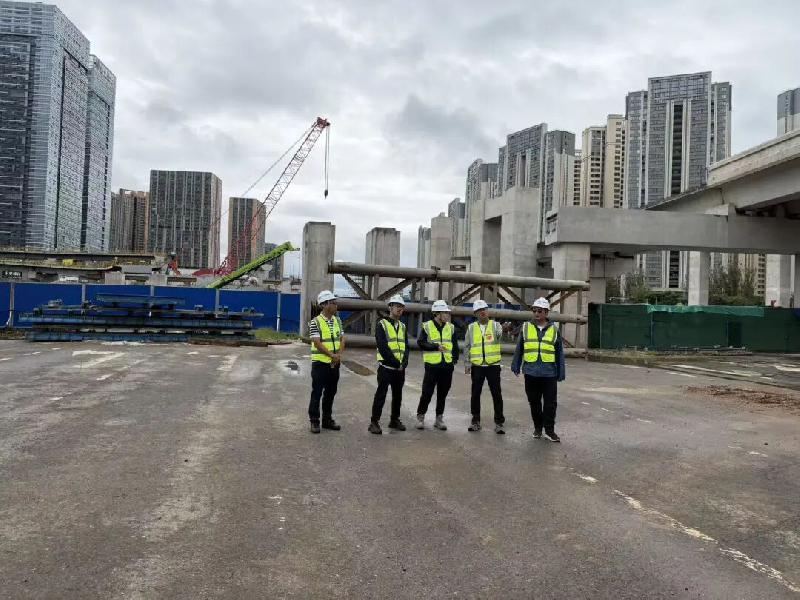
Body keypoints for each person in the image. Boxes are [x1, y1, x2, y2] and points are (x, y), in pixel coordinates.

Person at [511, 297, 566, 442]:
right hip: (531, 372)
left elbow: (559, 353)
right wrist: (516, 365)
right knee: (534, 402)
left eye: (539, 311)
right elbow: (519, 348)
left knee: (550, 404)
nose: (536, 313)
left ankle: (549, 431)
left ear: (546, 312)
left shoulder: (554, 330)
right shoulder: (526, 327)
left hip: (549, 373)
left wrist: (561, 372)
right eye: (534, 310)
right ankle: (538, 428)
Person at [415, 300, 460, 431]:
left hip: (447, 366)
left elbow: (455, 346)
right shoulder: (427, 326)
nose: (447, 315)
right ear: (437, 313)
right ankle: (420, 417)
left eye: (447, 313)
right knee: (427, 392)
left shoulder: (450, 327)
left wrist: (453, 360)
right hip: (432, 366)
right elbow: (421, 343)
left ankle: (439, 419)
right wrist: (435, 347)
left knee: (442, 394)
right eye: (445, 313)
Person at [463, 300, 505, 434]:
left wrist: (504, 329)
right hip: (478, 366)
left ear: (488, 311)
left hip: (493, 365)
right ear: (475, 313)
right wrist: (467, 363)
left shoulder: (496, 325)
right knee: (475, 394)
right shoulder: (471, 328)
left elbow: (499, 336)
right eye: (479, 310)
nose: (482, 312)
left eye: (484, 309)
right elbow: (467, 347)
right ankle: (475, 421)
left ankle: (499, 423)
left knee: (496, 394)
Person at [369, 295, 409, 434]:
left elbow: (406, 346)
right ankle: (374, 422)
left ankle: (394, 420)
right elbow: (383, 346)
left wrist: (404, 362)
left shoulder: (402, 326)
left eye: (401, 307)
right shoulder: (382, 324)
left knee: (398, 396)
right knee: (381, 395)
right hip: (386, 367)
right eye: (397, 306)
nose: (399, 309)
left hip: (400, 369)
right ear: (390, 307)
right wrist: (396, 362)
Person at [307, 290, 344, 434]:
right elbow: (317, 343)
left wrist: (338, 355)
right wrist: (331, 355)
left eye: (335, 302)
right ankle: (314, 421)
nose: (336, 305)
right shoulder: (315, 322)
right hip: (320, 364)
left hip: (334, 363)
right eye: (333, 303)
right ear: (324, 305)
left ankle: (327, 420)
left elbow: (342, 339)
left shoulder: (337, 320)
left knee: (331, 392)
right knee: (317, 392)